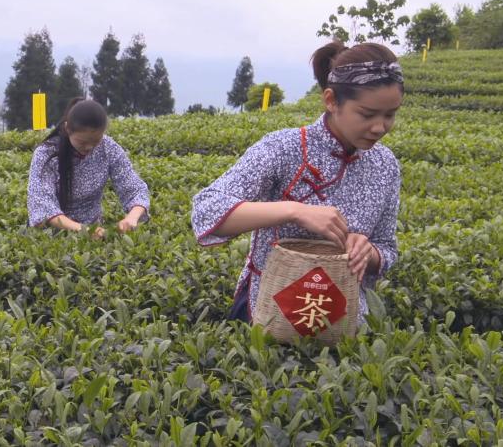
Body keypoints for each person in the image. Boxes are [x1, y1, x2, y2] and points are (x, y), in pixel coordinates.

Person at [192, 41, 403, 322]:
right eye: (367, 114)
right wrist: (294, 210)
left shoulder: (385, 165)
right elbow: (206, 210)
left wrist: (369, 252)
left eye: (390, 115)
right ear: (331, 101)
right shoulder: (284, 148)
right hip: (269, 310)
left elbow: (387, 248)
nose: (379, 127)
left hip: (341, 317)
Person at [28, 98, 150, 238]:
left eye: (95, 141)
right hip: (53, 236)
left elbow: (135, 189)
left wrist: (131, 218)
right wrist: (82, 229)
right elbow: (42, 205)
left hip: (95, 233)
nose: (89, 147)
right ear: (67, 129)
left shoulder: (108, 148)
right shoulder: (46, 153)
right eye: (82, 142)